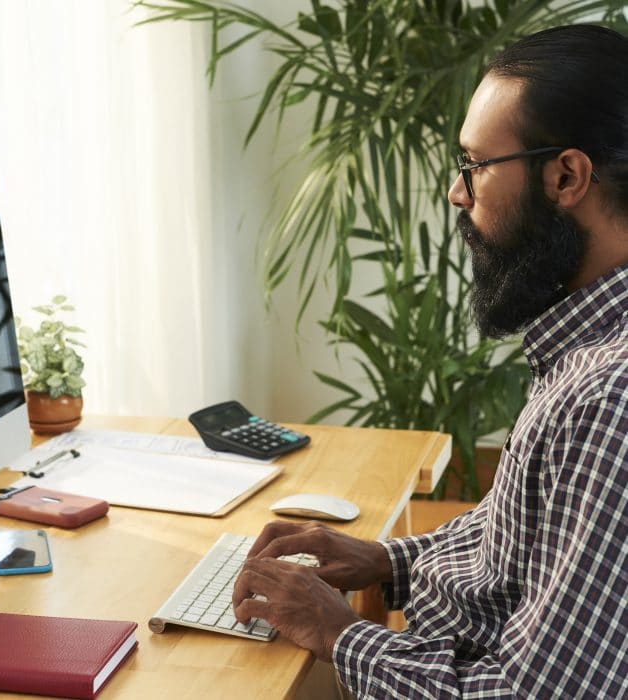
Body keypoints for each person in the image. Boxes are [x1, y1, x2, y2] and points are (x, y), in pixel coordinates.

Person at [232, 24, 628, 699]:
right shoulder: (586, 344)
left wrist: (337, 633)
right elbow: (530, 545)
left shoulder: (609, 398)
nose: (456, 192)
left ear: (565, 176)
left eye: (475, 164)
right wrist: (386, 559)